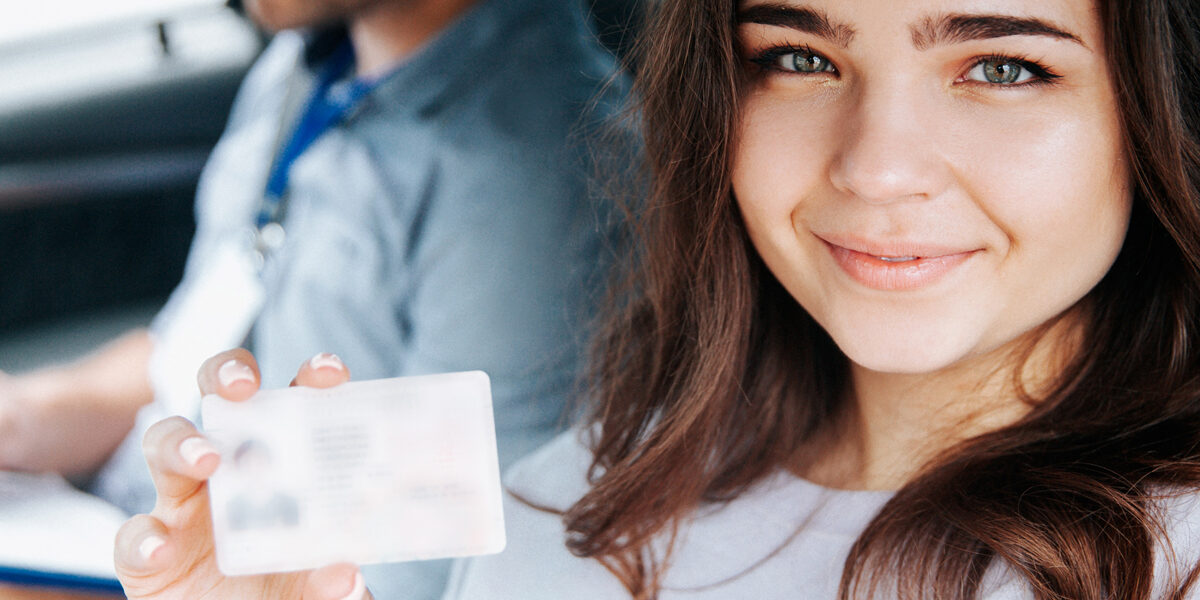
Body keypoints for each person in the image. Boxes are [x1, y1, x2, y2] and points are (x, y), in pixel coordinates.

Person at [112, 0, 1200, 597]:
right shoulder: (579, 498)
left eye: (1003, 67)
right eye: (798, 58)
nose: (876, 169)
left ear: (1155, 109)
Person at [1, 0, 627, 597]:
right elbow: (194, 341)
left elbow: (450, 573)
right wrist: (31, 415)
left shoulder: (537, 180)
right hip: (123, 525)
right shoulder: (309, 63)